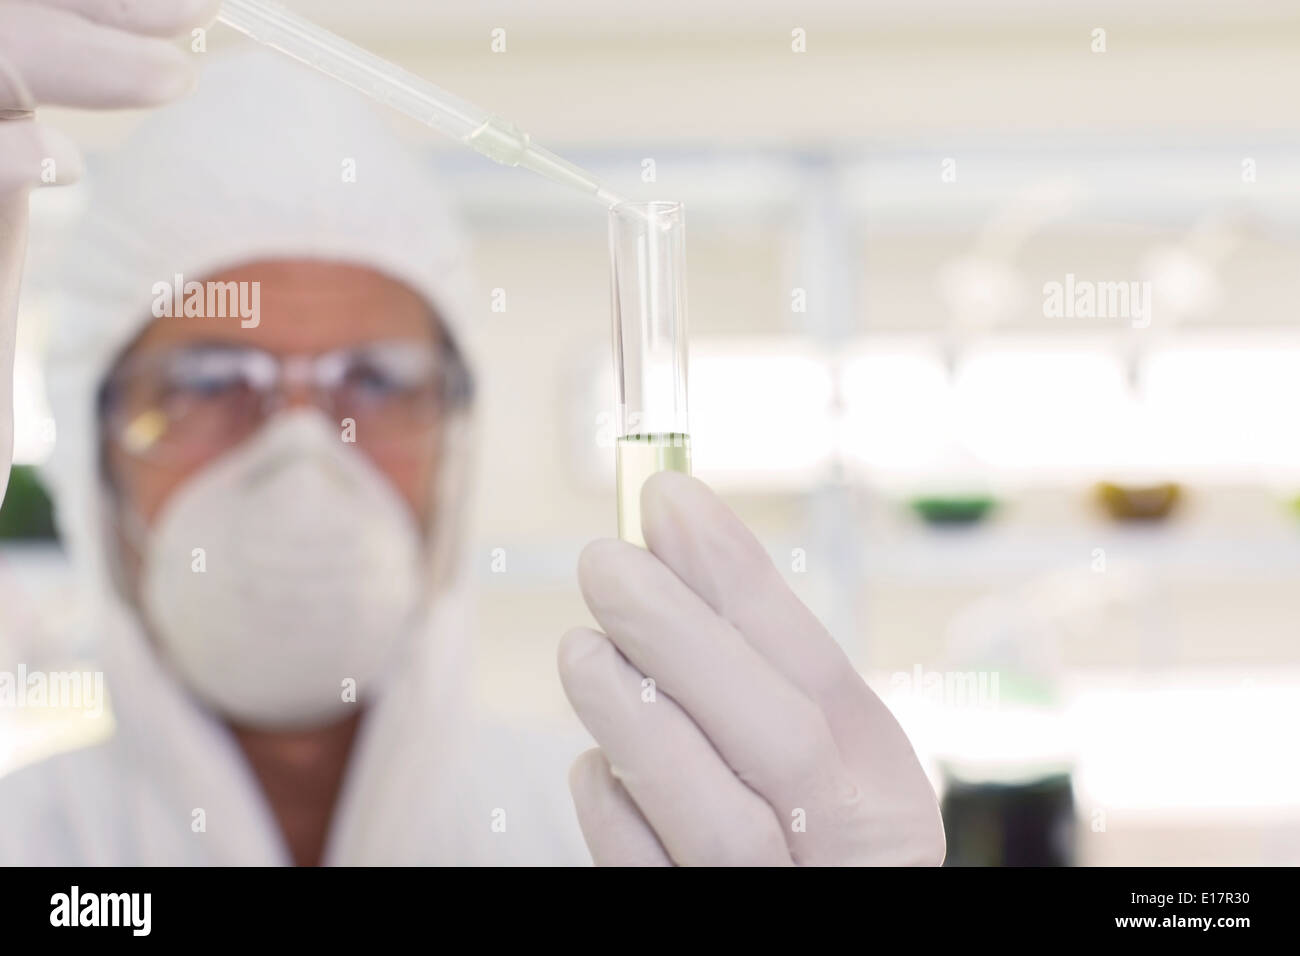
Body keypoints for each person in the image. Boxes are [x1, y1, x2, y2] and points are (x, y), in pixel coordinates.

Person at [0, 1, 944, 866]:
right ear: (92, 454)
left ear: (457, 440)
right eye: (211, 380)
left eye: (373, 379)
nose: (300, 450)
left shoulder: (613, 837)